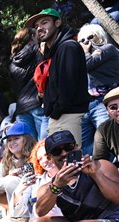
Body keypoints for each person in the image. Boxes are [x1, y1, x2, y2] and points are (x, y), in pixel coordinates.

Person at [29, 7, 90, 151]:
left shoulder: (68, 47)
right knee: (63, 161)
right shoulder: (55, 51)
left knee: (72, 160)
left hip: (68, 115)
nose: (39, 28)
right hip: (60, 116)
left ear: (57, 23)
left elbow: (68, 86)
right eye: (36, 26)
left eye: (44, 22)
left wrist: (56, 111)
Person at [78, 24, 119, 156]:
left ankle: (116, 165)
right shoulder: (83, 56)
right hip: (85, 104)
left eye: (90, 37)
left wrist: (85, 53)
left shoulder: (108, 48)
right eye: (82, 40)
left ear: (100, 35)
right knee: (85, 145)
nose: (86, 41)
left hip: (104, 101)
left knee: (108, 138)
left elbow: (86, 65)